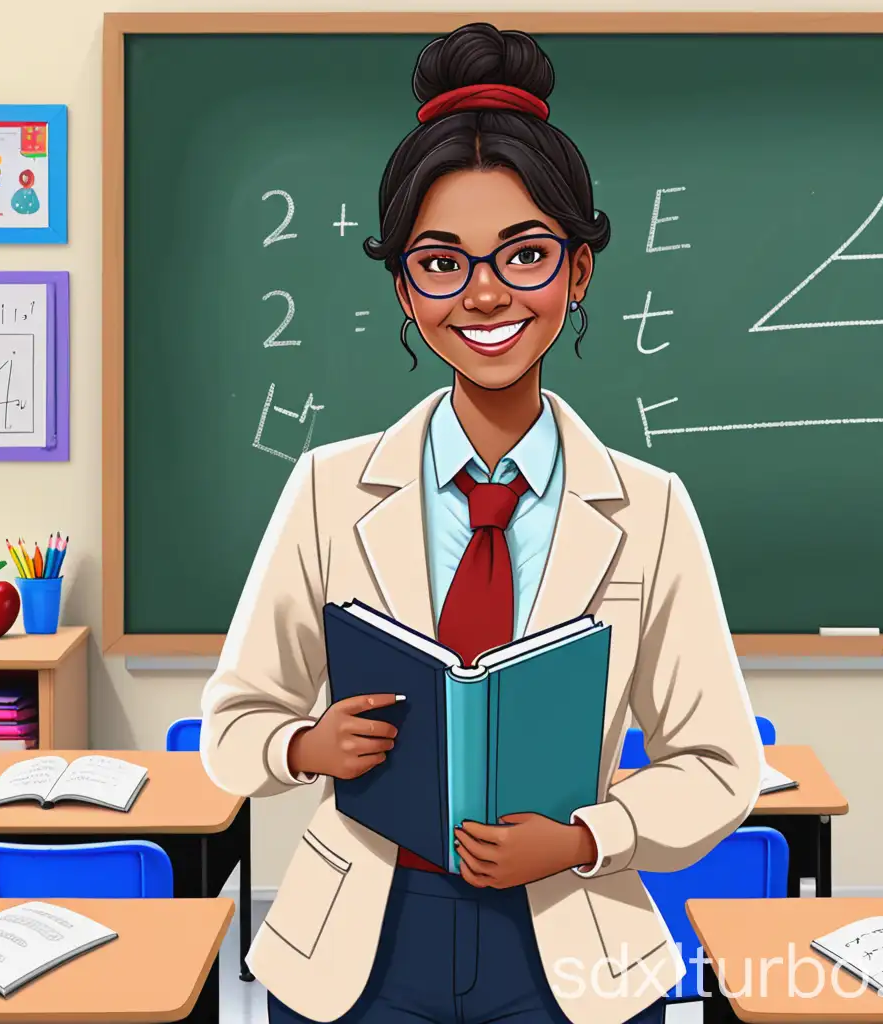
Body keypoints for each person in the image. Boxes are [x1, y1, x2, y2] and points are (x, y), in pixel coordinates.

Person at [201, 22, 763, 1024]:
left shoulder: (651, 507)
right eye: (441, 264)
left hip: (567, 936)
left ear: (579, 271)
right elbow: (231, 724)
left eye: (526, 254)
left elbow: (720, 763)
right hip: (362, 935)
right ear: (404, 290)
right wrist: (304, 748)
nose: (487, 294)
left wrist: (590, 835)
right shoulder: (331, 488)